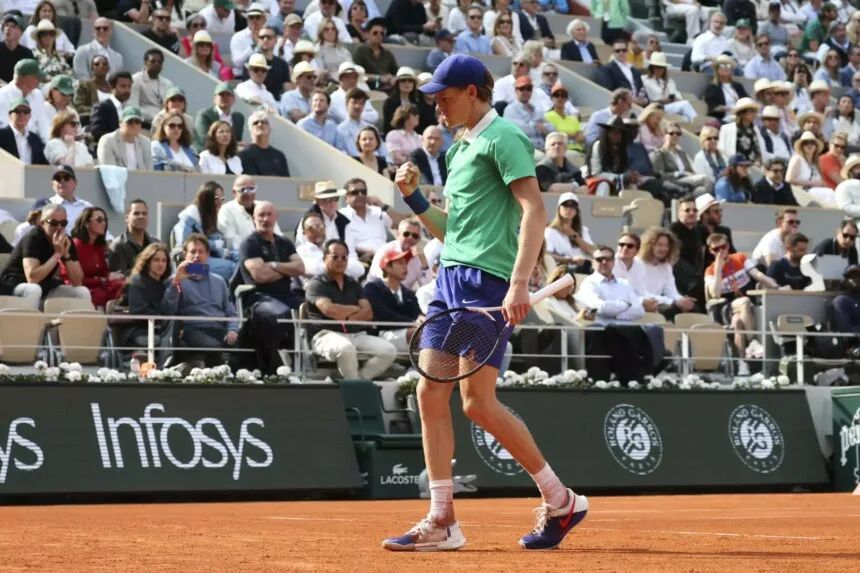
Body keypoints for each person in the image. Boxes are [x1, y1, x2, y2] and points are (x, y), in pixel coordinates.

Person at [385, 54, 588, 552]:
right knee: (431, 395)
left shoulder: (507, 138)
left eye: (445, 97)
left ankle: (560, 500)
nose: (437, 107)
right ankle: (442, 520)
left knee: (477, 404)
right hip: (450, 281)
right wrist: (413, 199)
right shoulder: (458, 148)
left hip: (487, 285)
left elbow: (535, 212)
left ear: (473, 92)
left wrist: (519, 283)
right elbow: (454, 231)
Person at [306, 238, 397, 377]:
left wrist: (346, 316)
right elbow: (330, 311)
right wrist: (355, 309)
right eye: (335, 256)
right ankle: (354, 387)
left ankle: (359, 382)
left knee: (389, 350)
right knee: (346, 348)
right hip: (325, 335)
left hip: (356, 334)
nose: (340, 260)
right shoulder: (317, 284)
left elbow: (368, 313)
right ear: (325, 258)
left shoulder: (352, 283)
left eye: (344, 257)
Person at [239, 201, 306, 374]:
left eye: (269, 214)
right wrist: (286, 270)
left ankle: (307, 364)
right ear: (253, 218)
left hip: (287, 294)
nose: (265, 219)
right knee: (280, 315)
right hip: (260, 297)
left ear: (277, 217)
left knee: (313, 311)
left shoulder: (284, 242)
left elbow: (300, 268)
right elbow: (260, 276)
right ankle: (275, 369)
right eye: (261, 215)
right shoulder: (250, 243)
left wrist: (274, 265)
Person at [705, 232, 778, 375]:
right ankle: (751, 342)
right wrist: (719, 269)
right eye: (716, 249)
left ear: (728, 246)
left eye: (723, 247)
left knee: (738, 323)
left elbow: (758, 275)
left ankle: (741, 363)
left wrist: (777, 287)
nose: (721, 251)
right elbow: (716, 294)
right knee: (744, 302)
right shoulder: (710, 270)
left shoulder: (739, 258)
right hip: (725, 306)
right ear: (711, 251)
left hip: (742, 308)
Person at [163, 233, 240, 367]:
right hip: (193, 329)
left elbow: (230, 312)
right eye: (193, 252)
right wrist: (177, 281)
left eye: (201, 252)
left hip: (219, 329)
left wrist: (232, 329)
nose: (197, 256)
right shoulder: (176, 280)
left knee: (249, 344)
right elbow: (168, 309)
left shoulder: (219, 281)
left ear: (207, 255)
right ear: (184, 255)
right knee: (212, 347)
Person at [0, 203, 89, 307]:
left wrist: (66, 254)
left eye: (63, 223)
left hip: (44, 286)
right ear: (42, 223)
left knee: (81, 292)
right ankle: (30, 323)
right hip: (14, 285)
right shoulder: (33, 238)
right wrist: (57, 255)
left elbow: (77, 281)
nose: (59, 227)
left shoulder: (66, 241)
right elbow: (32, 278)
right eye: (54, 223)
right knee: (34, 289)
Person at [174, 181, 239, 283]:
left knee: (242, 258)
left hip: (211, 257)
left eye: (222, 199)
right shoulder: (189, 217)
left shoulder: (210, 217)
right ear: (206, 198)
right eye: (216, 198)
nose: (220, 203)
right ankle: (233, 295)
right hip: (193, 266)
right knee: (232, 268)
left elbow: (217, 244)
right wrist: (214, 245)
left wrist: (223, 250)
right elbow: (184, 244)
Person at [364, 248, 424, 355]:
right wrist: (412, 322)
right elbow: (381, 314)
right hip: (381, 334)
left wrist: (421, 318)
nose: (405, 267)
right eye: (400, 263)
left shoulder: (408, 293)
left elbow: (417, 313)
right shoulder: (372, 288)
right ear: (387, 267)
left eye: (406, 263)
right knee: (418, 333)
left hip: (405, 332)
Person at [64, 207, 125, 309]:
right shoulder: (76, 246)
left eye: (105, 220)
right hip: (80, 289)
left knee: (124, 284)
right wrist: (105, 280)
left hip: (98, 287)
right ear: (87, 223)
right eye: (99, 220)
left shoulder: (98, 247)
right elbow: (77, 280)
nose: (104, 223)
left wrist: (111, 275)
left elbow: (102, 272)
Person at [121, 242, 171, 360]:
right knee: (173, 342)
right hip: (141, 331)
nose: (161, 264)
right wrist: (166, 323)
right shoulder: (137, 282)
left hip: (162, 330)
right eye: (156, 260)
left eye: (164, 261)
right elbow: (140, 311)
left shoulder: (165, 285)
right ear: (148, 263)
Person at [637, 227, 697, 317]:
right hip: (643, 302)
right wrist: (673, 302)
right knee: (670, 310)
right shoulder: (637, 264)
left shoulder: (666, 266)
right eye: (659, 245)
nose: (664, 249)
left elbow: (671, 291)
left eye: (666, 245)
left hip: (661, 302)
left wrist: (682, 300)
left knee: (694, 309)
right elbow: (642, 293)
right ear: (649, 246)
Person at [296, 211, 364, 286]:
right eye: (312, 228)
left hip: (344, 289)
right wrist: (343, 265)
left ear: (325, 229)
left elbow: (359, 269)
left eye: (320, 227)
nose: (317, 230)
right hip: (319, 290)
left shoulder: (332, 246)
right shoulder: (301, 251)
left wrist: (334, 266)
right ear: (304, 232)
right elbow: (316, 270)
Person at [650, 122, 714, 197]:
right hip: (672, 182)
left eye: (678, 134)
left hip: (687, 181)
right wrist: (679, 173)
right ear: (665, 135)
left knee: (701, 190)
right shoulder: (659, 153)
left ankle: (691, 198)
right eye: (672, 133)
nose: (675, 136)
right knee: (706, 179)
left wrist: (689, 174)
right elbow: (659, 175)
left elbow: (690, 171)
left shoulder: (682, 153)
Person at [219, 175, 282, 251]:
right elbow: (231, 241)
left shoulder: (263, 207)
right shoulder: (227, 210)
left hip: (271, 252)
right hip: (244, 255)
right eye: (243, 190)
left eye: (252, 189)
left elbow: (277, 234)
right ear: (234, 192)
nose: (248, 194)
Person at [367, 218, 433, 288]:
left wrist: (424, 264)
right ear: (398, 234)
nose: (410, 238)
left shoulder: (420, 256)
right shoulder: (386, 250)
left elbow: (426, 286)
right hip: (377, 291)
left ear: (419, 239)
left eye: (415, 236)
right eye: (406, 234)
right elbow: (382, 280)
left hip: (404, 295)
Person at [543, 192, 593, 274]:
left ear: (576, 211)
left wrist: (574, 236)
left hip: (585, 270)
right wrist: (571, 259)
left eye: (573, 206)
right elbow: (548, 256)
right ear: (559, 208)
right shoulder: (550, 231)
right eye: (565, 205)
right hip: (562, 272)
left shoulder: (583, 230)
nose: (569, 209)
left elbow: (592, 251)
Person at [96, 106, 154, 171]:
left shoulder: (146, 142)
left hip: (141, 180)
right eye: (129, 122)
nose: (134, 125)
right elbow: (109, 172)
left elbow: (149, 171)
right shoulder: (107, 141)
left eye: (137, 122)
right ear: (120, 123)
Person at [194, 83, 245, 153]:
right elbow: (205, 140)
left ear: (234, 99)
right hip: (208, 154)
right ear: (214, 99)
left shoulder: (239, 118)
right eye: (221, 95)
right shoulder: (204, 115)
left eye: (228, 95)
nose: (225, 97)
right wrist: (236, 144)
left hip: (229, 156)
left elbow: (238, 139)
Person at [108, 199, 155, 276]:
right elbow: (120, 277)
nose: (141, 216)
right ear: (127, 218)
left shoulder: (155, 244)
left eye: (144, 213)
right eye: (136, 213)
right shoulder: (118, 245)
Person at [787, 130, 833, 205]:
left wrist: (822, 184)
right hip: (801, 193)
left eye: (812, 143)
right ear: (802, 146)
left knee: (831, 193)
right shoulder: (797, 159)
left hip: (814, 194)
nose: (809, 145)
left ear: (816, 147)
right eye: (806, 143)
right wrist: (812, 183)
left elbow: (820, 182)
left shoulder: (816, 163)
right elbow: (789, 180)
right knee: (830, 194)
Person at [129, 49, 174, 125]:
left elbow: (171, 107)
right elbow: (133, 106)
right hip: (143, 122)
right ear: (145, 63)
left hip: (163, 122)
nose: (156, 64)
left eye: (159, 62)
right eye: (153, 61)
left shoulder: (168, 83)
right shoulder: (136, 79)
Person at [90, 70, 132, 145]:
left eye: (129, 86)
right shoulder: (101, 107)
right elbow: (97, 133)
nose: (127, 90)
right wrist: (121, 137)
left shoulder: (129, 108)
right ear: (112, 87)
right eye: (123, 86)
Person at [0, 97, 47, 165]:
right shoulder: (1, 135)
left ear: (30, 116)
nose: (22, 114)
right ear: (10, 115)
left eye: (26, 111)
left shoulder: (35, 139)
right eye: (17, 111)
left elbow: (42, 164)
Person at [0, 14, 34, 85]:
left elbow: (31, 76)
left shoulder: (27, 53)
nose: (8, 28)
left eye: (13, 26)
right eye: (6, 25)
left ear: (21, 33)